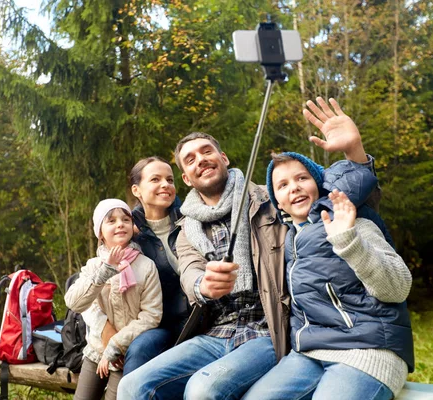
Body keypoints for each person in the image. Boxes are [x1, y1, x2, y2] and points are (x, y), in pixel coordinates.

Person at [118, 97, 378, 400]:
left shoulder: (270, 199)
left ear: (224, 158)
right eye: (190, 159)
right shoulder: (186, 228)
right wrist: (204, 285)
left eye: (206, 151)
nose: (200, 159)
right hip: (215, 333)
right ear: (187, 179)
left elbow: (346, 199)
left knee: (202, 390)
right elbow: (190, 273)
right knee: (132, 386)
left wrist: (354, 152)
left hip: (269, 331)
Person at [241, 150, 414, 400]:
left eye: (302, 178)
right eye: (283, 185)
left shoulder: (353, 221)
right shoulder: (290, 240)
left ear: (318, 184)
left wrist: (348, 242)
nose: (294, 188)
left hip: (367, 350)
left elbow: (397, 288)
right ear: (277, 202)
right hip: (309, 354)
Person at [94, 157, 190, 375]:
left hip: (199, 321)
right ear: (136, 190)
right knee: (139, 349)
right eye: (155, 179)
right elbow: (95, 279)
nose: (165, 185)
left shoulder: (191, 219)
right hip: (159, 325)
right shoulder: (127, 230)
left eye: (170, 179)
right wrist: (105, 330)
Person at [64, 199, 162, 400]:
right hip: (96, 350)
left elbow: (151, 315)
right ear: (100, 233)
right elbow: (75, 303)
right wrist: (105, 271)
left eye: (125, 219)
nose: (120, 224)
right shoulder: (93, 266)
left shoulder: (146, 266)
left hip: (124, 354)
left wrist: (117, 344)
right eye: (111, 220)